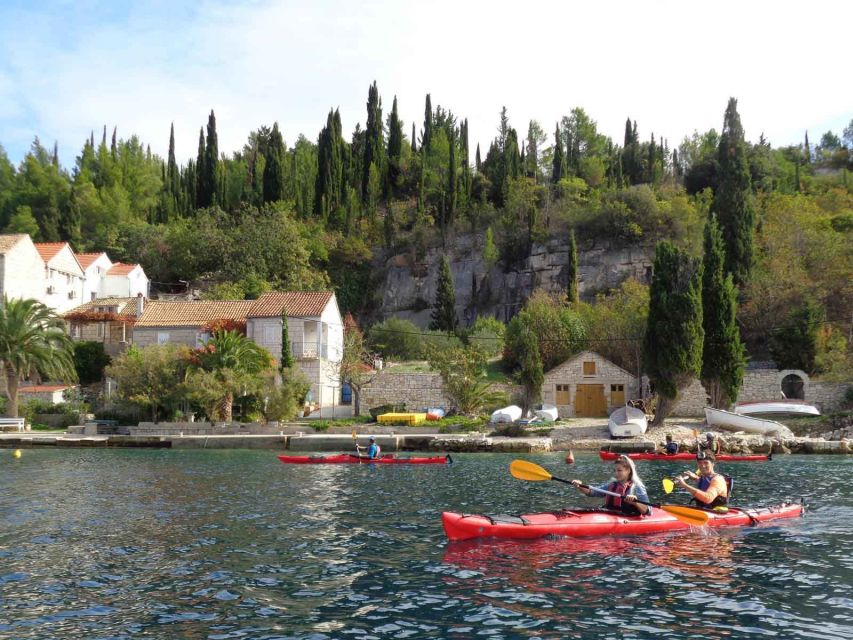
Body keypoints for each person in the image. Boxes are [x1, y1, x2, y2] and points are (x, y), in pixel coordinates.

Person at [571, 455, 651, 516]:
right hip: (610, 515)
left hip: (628, 518)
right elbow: (592, 492)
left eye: (619, 470)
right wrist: (580, 486)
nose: (616, 473)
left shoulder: (637, 487)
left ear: (628, 471)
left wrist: (635, 503)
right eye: (614, 470)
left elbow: (648, 511)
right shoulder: (612, 485)